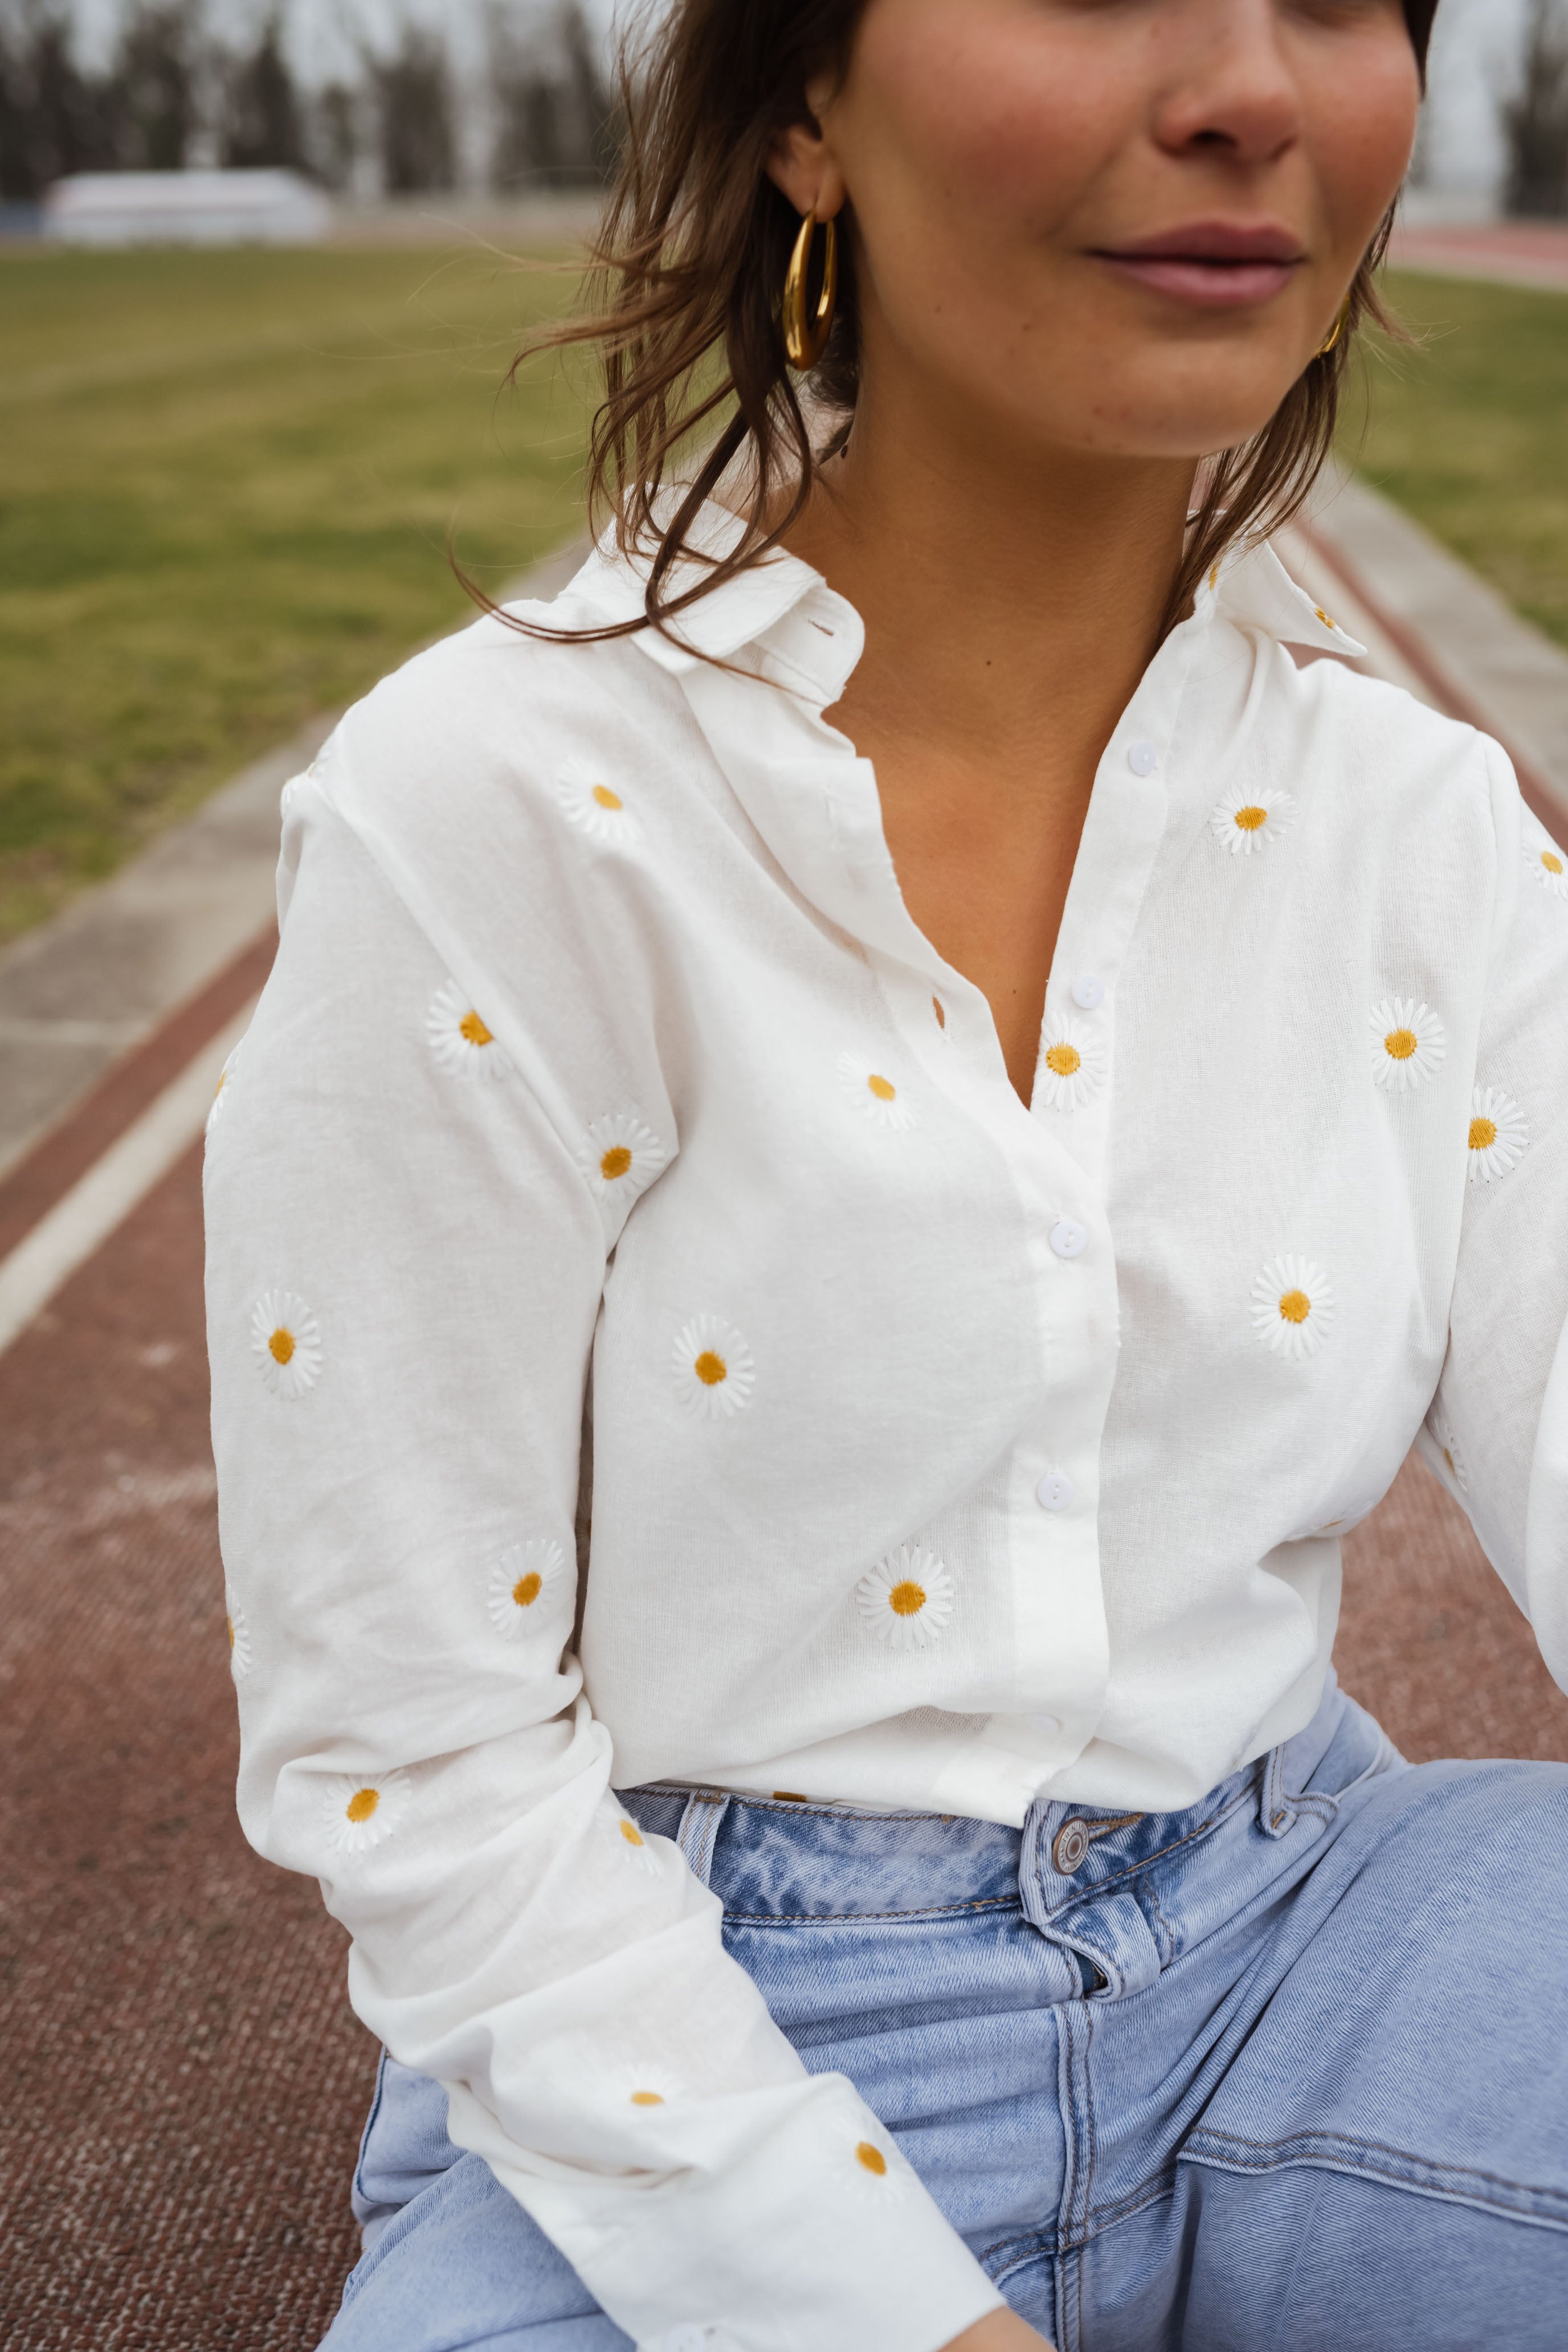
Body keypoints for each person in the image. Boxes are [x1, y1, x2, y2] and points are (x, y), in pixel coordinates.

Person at [204, 1, 1568, 2345]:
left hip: (1313, 1937)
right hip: (689, 2037)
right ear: (804, 107)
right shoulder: (499, 809)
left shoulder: (1418, 834)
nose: (1249, 83)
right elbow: (409, 1754)